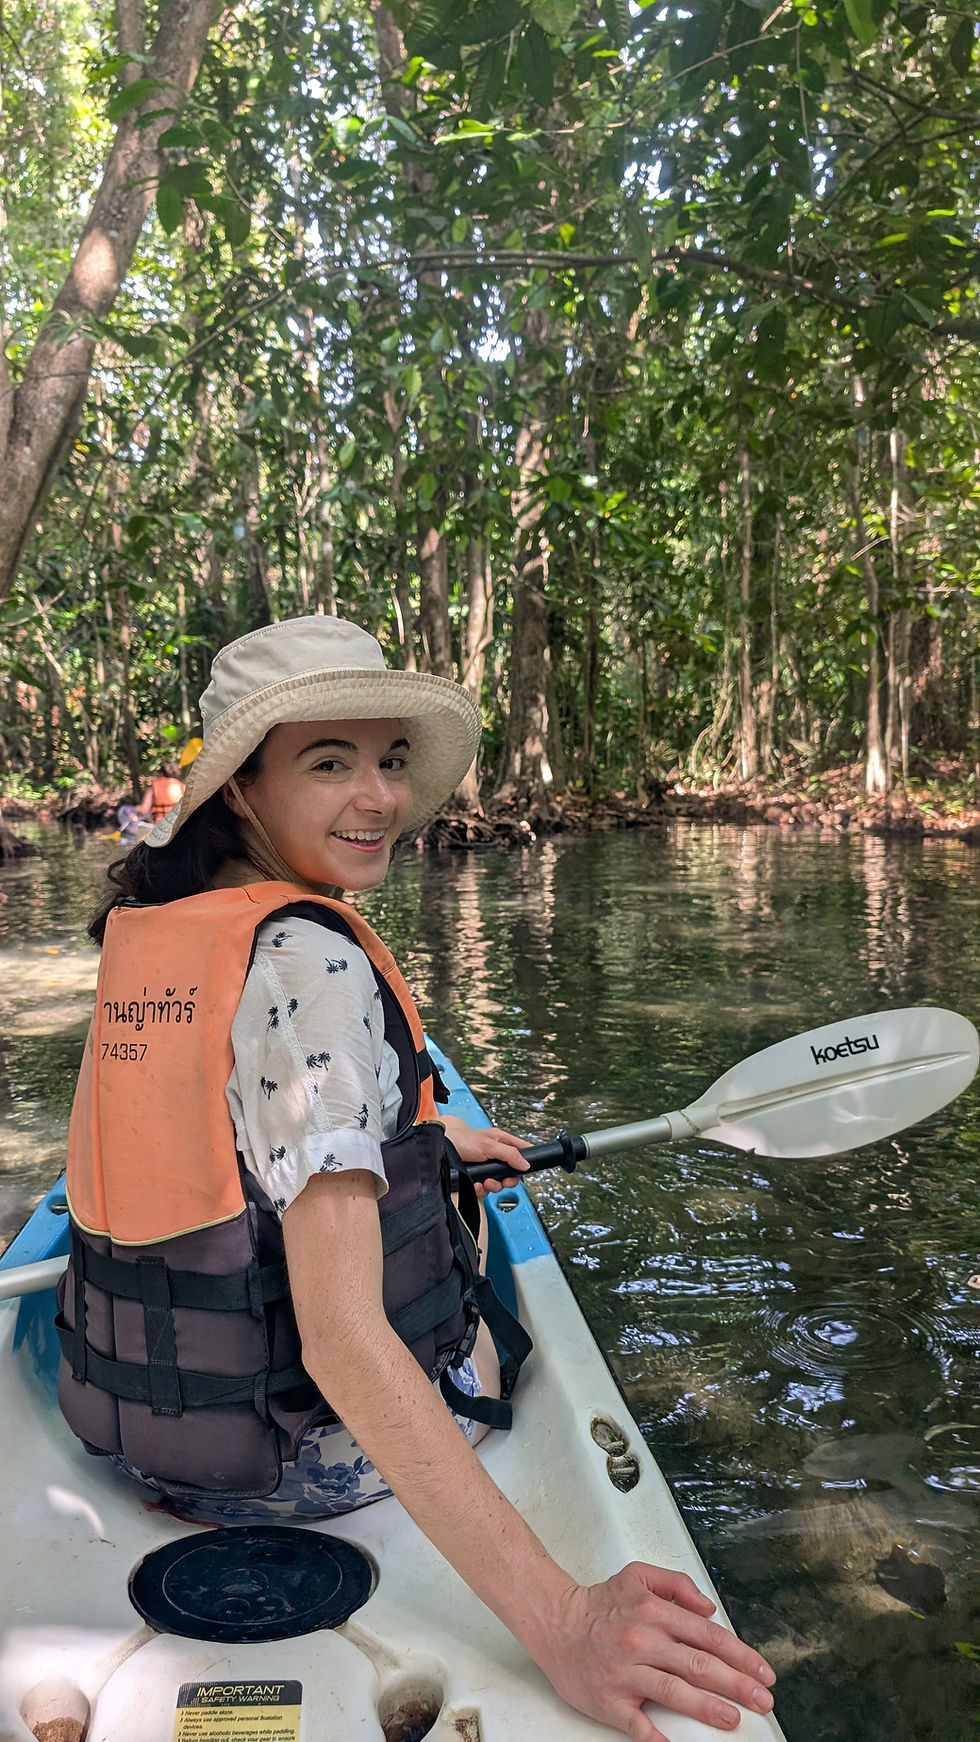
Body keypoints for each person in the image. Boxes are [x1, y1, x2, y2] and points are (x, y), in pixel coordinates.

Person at [56, 616, 776, 1740]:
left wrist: (423, 1148)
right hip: (294, 1464)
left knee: (426, 1176)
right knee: (474, 1292)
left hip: (127, 1432)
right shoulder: (316, 962)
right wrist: (564, 1619)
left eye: (389, 758)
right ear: (240, 789)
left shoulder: (154, 927)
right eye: (328, 761)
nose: (379, 795)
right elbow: (344, 1340)